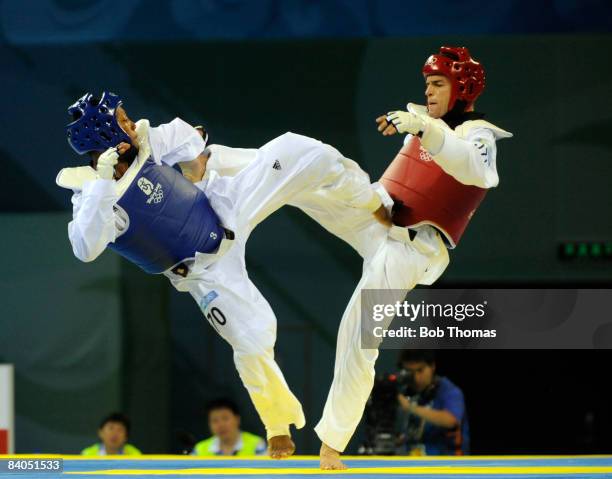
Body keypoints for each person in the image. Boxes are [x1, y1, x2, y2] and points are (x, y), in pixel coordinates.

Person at [196, 45, 511, 468]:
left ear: (463, 90)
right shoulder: (422, 122)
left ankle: (332, 444)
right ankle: (208, 160)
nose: (430, 92)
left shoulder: (478, 136)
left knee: (358, 333)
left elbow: (473, 169)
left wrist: (424, 128)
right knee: (307, 161)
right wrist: (421, 126)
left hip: (412, 247)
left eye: (438, 85)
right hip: (375, 209)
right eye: (427, 85)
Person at [56, 91, 387, 460]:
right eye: (121, 121)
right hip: (204, 273)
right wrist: (102, 184)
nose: (131, 124)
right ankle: (277, 425)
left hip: (222, 206)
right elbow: (86, 248)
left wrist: (195, 164)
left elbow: (186, 135)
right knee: (253, 338)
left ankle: (373, 202)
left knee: (297, 150)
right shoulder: (89, 196)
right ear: (102, 135)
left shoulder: (147, 140)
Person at [396, 350, 469, 456]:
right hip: (412, 462)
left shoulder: (449, 390)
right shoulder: (404, 392)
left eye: (420, 370)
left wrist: (411, 407)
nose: (416, 378)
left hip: (448, 464)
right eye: (410, 372)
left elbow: (451, 420)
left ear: (432, 366)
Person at [193, 398, 266, 456]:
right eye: (215, 420)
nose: (221, 425)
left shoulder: (257, 445)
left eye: (225, 418)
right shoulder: (199, 450)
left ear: (237, 419)